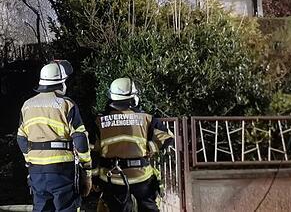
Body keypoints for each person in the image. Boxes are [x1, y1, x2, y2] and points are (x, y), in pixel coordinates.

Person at [17, 60, 92, 212]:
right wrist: (87, 169)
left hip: (36, 171)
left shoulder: (27, 105)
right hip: (62, 171)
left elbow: (21, 139)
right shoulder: (66, 105)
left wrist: (30, 161)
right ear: (62, 83)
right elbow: (80, 139)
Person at [93, 77, 174, 212]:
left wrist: (94, 178)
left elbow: (93, 151)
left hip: (111, 178)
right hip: (141, 176)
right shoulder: (146, 118)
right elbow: (167, 138)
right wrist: (150, 148)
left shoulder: (99, 121)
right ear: (133, 97)